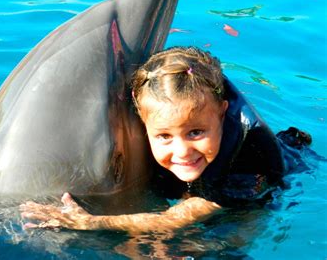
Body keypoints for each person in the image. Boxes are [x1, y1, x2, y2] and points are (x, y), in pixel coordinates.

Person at [20, 46, 313, 234]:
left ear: (223, 114)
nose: (182, 151)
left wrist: (92, 222)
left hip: (254, 195)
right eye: (163, 136)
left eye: (195, 132)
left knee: (220, 244)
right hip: (206, 174)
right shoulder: (181, 126)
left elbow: (174, 219)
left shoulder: (245, 164)